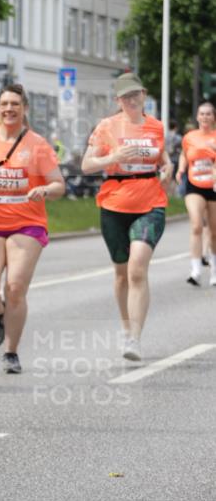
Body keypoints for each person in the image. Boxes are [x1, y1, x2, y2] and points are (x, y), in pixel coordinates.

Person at [0, 83, 65, 375]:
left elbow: (59, 185)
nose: (9, 109)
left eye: (15, 104)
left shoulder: (38, 145)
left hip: (28, 223)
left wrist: (45, 190)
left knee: (15, 288)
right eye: (4, 104)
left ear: (24, 109)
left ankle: (11, 352)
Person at [81, 73, 173, 362]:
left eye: (136, 94)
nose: (132, 100)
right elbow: (86, 165)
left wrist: (168, 168)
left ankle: (135, 337)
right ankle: (125, 326)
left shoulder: (156, 127)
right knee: (121, 274)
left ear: (144, 94)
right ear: (118, 100)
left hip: (151, 203)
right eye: (126, 96)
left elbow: (162, 156)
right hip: (114, 204)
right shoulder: (107, 127)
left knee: (137, 269)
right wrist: (112, 157)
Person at [175, 101, 216, 287]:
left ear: (213, 117)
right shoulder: (189, 137)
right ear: (197, 117)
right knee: (197, 225)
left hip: (214, 186)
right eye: (202, 113)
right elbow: (185, 154)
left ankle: (214, 270)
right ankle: (195, 271)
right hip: (194, 185)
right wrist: (181, 169)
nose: (205, 117)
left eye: (209, 114)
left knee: (214, 232)